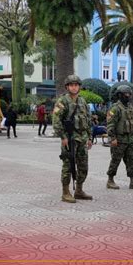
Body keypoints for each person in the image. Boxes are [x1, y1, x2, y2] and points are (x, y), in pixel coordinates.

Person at [53, 75, 93, 203]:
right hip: (70, 138)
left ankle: (79, 190)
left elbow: (88, 119)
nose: (74, 87)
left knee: (83, 166)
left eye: (76, 85)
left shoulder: (83, 101)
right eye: (71, 85)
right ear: (67, 87)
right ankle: (65, 192)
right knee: (68, 165)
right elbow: (56, 120)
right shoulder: (62, 101)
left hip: (82, 138)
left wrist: (89, 137)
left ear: (79, 87)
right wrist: (63, 136)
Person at [106, 85, 133, 190]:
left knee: (132, 161)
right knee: (115, 160)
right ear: (120, 95)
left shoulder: (130, 108)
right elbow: (110, 124)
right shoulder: (115, 108)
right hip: (119, 140)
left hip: (129, 140)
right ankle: (110, 180)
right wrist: (112, 138)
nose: (128, 96)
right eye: (126, 94)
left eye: (129, 94)